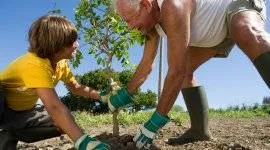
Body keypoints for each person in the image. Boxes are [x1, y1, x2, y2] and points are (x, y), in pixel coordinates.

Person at [100, 0, 269, 149]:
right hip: (214, 34)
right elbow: (146, 66)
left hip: (236, 6)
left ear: (146, 4)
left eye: (130, 19)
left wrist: (154, 122)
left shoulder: (173, 4)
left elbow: (175, 71)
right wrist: (124, 94)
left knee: (243, 29)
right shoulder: (150, 26)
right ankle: (199, 131)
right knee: (186, 70)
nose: (129, 26)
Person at [0, 14, 111, 150]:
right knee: (61, 116)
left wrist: (103, 96)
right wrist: (84, 142)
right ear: (56, 46)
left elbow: (75, 87)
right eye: (71, 42)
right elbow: (54, 107)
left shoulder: (61, 64)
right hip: (3, 108)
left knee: (66, 122)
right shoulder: (34, 64)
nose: (77, 45)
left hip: (24, 113)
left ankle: (10, 132)